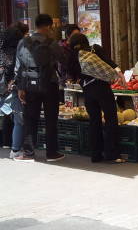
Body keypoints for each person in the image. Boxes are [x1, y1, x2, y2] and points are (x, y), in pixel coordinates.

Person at [67, 33, 127, 163]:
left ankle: (96, 155)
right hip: (102, 88)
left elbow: (72, 76)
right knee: (110, 118)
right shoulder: (94, 49)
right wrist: (120, 74)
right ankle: (112, 154)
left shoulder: (73, 56)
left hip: (88, 91)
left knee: (94, 121)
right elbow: (109, 62)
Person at [15, 14, 65, 162]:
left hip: (30, 85)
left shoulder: (23, 42)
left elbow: (19, 66)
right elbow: (63, 60)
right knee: (51, 119)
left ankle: (29, 153)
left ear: (35, 25)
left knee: (30, 119)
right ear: (48, 26)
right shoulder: (52, 43)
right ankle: (52, 153)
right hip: (50, 84)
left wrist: (20, 87)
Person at [1, 22, 28, 157]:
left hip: (6, 88)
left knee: (13, 117)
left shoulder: (3, 52)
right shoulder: (17, 53)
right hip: (16, 88)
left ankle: (14, 146)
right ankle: (16, 149)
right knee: (19, 119)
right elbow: (18, 72)